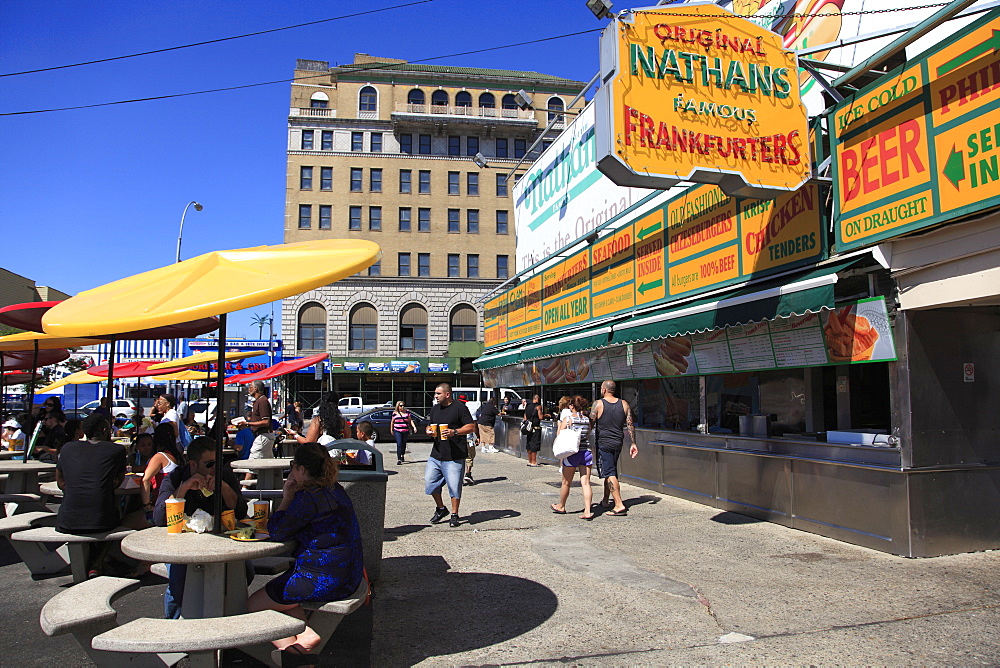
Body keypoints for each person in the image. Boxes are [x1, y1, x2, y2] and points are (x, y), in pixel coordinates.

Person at [246, 443, 364, 657]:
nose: (291, 471)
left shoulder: (308, 497)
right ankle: (304, 641)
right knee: (282, 595)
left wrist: (287, 497)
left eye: (293, 466)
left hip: (324, 578)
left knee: (255, 605)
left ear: (302, 469)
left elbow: (277, 531)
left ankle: (293, 651)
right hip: (349, 574)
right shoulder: (334, 489)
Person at [154, 436, 248, 619]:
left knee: (244, 572)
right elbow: (159, 518)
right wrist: (184, 489)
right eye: (209, 463)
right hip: (181, 546)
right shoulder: (176, 478)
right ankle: (173, 627)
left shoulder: (224, 475)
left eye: (218, 462)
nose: (215, 468)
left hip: (220, 542)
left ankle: (224, 622)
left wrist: (225, 489)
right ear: (193, 464)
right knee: (179, 580)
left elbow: (241, 512)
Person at [55, 414, 126, 534]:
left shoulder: (67, 448)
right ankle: (100, 553)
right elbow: (119, 480)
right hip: (103, 521)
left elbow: (60, 482)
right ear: (104, 430)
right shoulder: (116, 450)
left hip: (67, 521)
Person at [424, 383, 475, 528]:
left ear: (447, 394)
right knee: (430, 483)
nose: (435, 396)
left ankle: (454, 514)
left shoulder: (459, 408)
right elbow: (430, 424)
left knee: (454, 487)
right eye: (435, 393)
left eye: (438, 393)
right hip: (436, 454)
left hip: (454, 455)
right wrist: (428, 430)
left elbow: (471, 426)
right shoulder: (435, 409)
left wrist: (455, 432)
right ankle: (441, 508)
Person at [590, 381, 637, 516]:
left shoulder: (598, 404)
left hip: (604, 443)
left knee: (609, 472)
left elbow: (591, 423)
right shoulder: (624, 404)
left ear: (604, 390)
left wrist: (584, 437)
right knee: (610, 469)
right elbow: (630, 425)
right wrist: (633, 443)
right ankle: (605, 500)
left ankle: (618, 504)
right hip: (618, 442)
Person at [550, 396, 595, 519]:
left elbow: (560, 434)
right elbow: (588, 434)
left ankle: (561, 506)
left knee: (566, 482)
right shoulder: (587, 420)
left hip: (572, 453)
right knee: (585, 482)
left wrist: (568, 427)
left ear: (572, 406)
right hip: (586, 452)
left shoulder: (568, 419)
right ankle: (587, 510)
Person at [139, 423, 183, 520]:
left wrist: (147, 505)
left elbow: (145, 480)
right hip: (176, 504)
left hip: (161, 507)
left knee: (126, 520)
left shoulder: (160, 457)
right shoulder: (178, 456)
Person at [243, 380, 274, 460]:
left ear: (256, 389)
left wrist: (248, 424)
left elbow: (266, 422)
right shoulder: (258, 401)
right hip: (262, 436)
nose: (248, 389)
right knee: (268, 464)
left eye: (250, 387)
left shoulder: (262, 401)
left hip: (263, 436)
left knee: (252, 465)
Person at [391, 401, 417, 465]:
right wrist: (391, 430)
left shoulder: (407, 412)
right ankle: (399, 459)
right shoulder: (395, 413)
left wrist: (414, 427)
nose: (402, 407)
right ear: (398, 406)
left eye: (403, 405)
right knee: (399, 443)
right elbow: (392, 422)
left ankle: (402, 455)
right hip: (397, 430)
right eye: (400, 406)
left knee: (404, 443)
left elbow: (410, 420)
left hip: (405, 430)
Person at [524, 393, 544, 467]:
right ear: (537, 399)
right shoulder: (538, 406)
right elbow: (541, 417)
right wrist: (546, 415)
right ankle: (534, 462)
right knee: (535, 444)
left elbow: (525, 417)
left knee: (529, 444)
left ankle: (529, 461)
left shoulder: (527, 406)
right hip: (535, 428)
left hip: (528, 428)